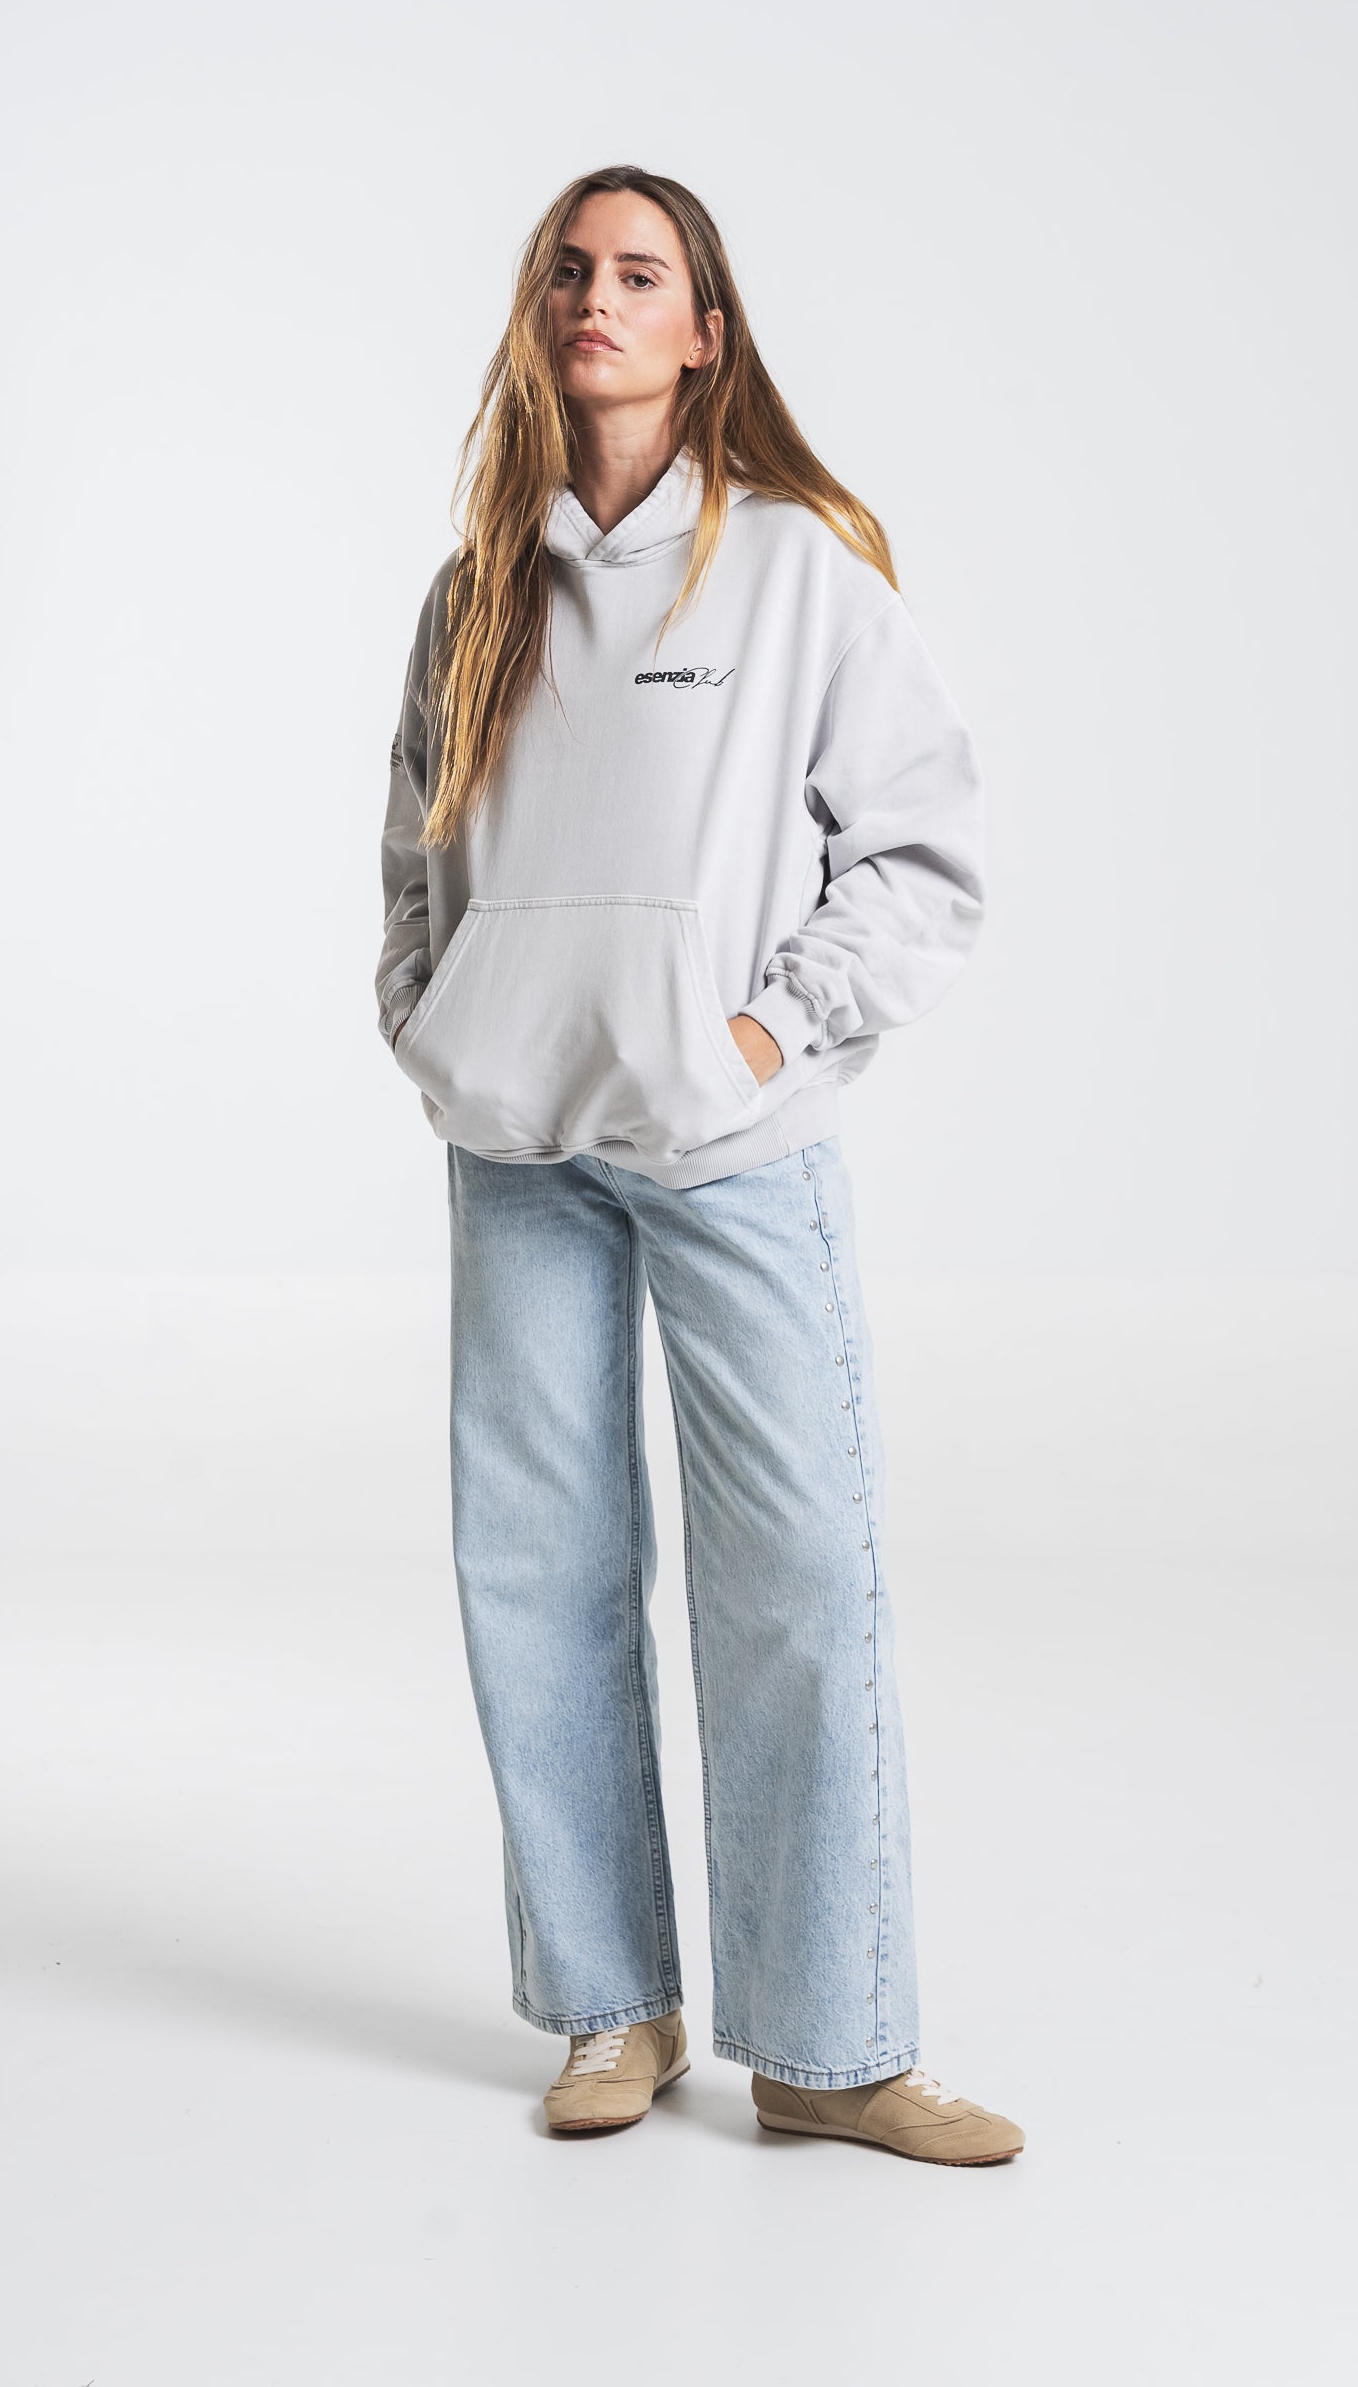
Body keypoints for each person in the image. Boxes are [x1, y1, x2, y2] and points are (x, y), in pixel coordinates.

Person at [376, 165, 1024, 2166]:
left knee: (798, 1577)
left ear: (704, 334)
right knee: (538, 1580)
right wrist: (434, 1015)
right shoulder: (479, 591)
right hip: (520, 1148)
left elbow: (920, 857)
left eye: (640, 275)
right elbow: (412, 851)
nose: (597, 298)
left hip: (735, 1149)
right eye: (569, 271)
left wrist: (761, 1035)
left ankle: (830, 2046)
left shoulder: (798, 570)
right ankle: (611, 2005)